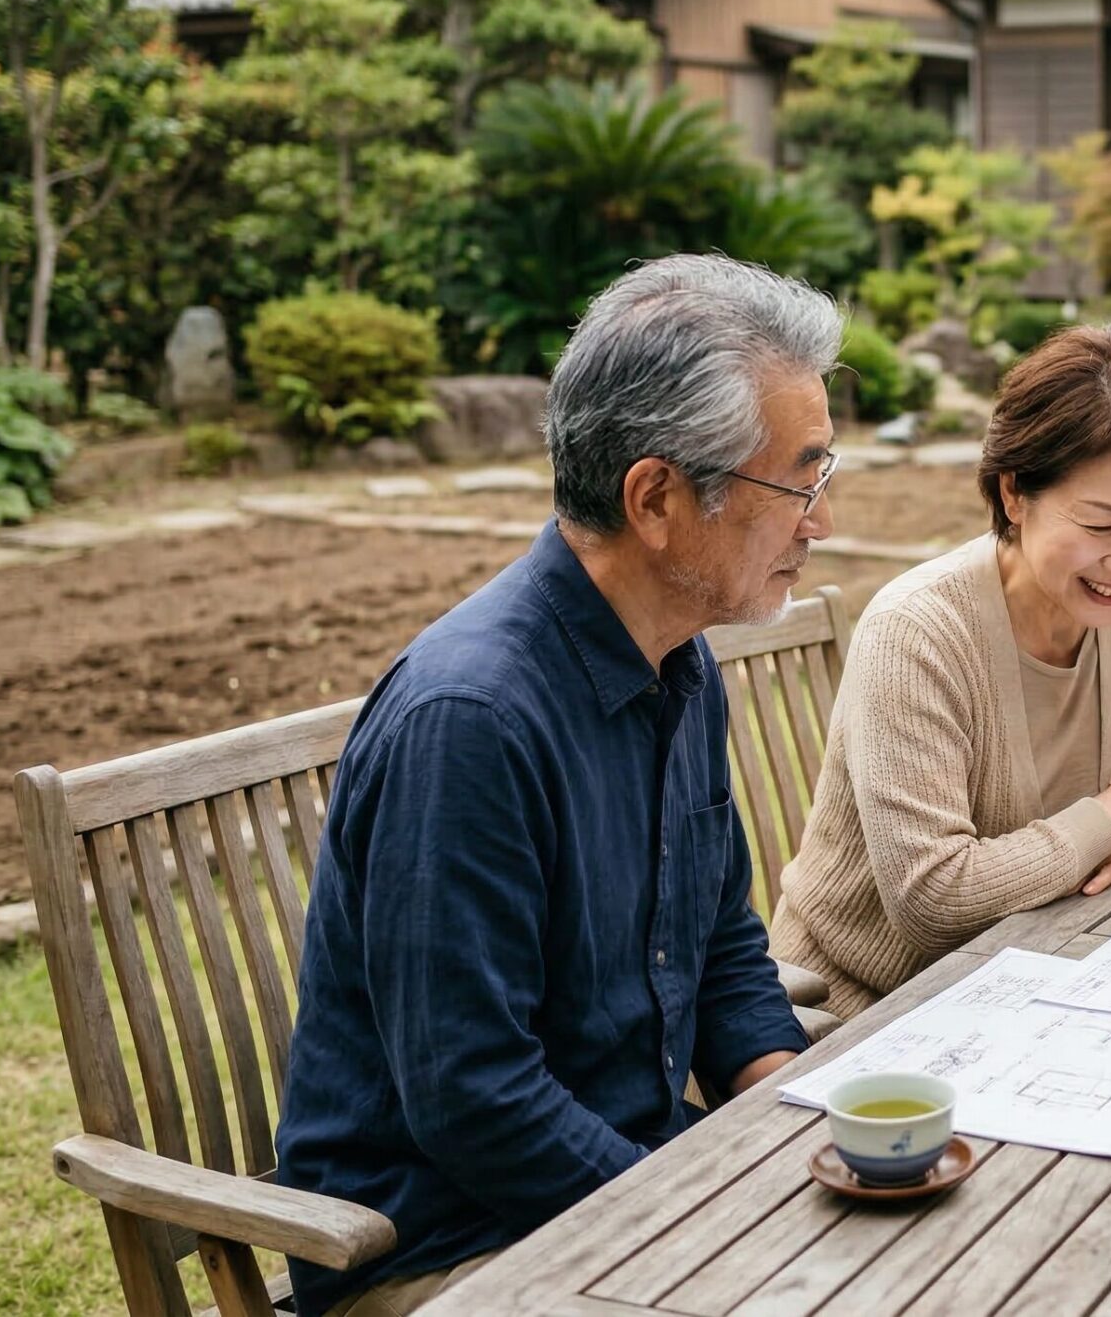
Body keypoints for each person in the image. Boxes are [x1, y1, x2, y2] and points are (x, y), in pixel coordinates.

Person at [275, 255, 838, 1317]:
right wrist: (703, 1211)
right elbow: (474, 1096)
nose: (819, 521)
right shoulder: (470, 722)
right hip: (443, 1245)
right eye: (797, 483)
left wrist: (799, 1111)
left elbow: (720, 939)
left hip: (618, 1179)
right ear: (657, 498)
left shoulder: (677, 656)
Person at [772, 325, 1111, 1017]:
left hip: (1055, 979)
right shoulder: (917, 631)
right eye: (1100, 526)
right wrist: (1109, 816)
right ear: (1014, 493)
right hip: (867, 1008)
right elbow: (934, 899)